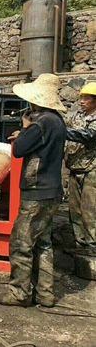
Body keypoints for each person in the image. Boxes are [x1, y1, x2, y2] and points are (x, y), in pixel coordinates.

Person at [0, 73, 67, 308]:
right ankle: (45, 293)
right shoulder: (57, 121)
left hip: (37, 191)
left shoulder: (41, 122)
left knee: (21, 243)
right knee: (43, 242)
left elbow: (19, 150)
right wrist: (27, 133)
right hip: (52, 190)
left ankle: (19, 293)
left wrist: (24, 130)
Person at [65, 82, 96, 252]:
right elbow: (65, 124)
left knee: (90, 210)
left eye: (86, 98)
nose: (82, 101)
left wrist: (61, 131)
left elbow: (88, 136)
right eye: (81, 97)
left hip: (91, 169)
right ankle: (80, 243)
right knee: (74, 210)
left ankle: (92, 246)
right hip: (74, 167)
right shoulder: (77, 116)